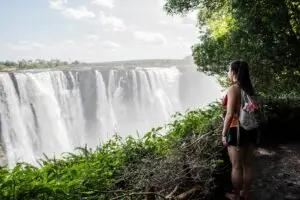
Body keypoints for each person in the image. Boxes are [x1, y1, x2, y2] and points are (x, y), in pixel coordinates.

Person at [222, 60, 258, 200]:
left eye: (229, 70)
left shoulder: (233, 89)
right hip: (252, 128)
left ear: (234, 72)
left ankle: (236, 195)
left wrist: (223, 133)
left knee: (236, 166)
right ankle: (246, 192)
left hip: (237, 130)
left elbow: (230, 114)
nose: (228, 73)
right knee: (248, 164)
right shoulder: (250, 88)